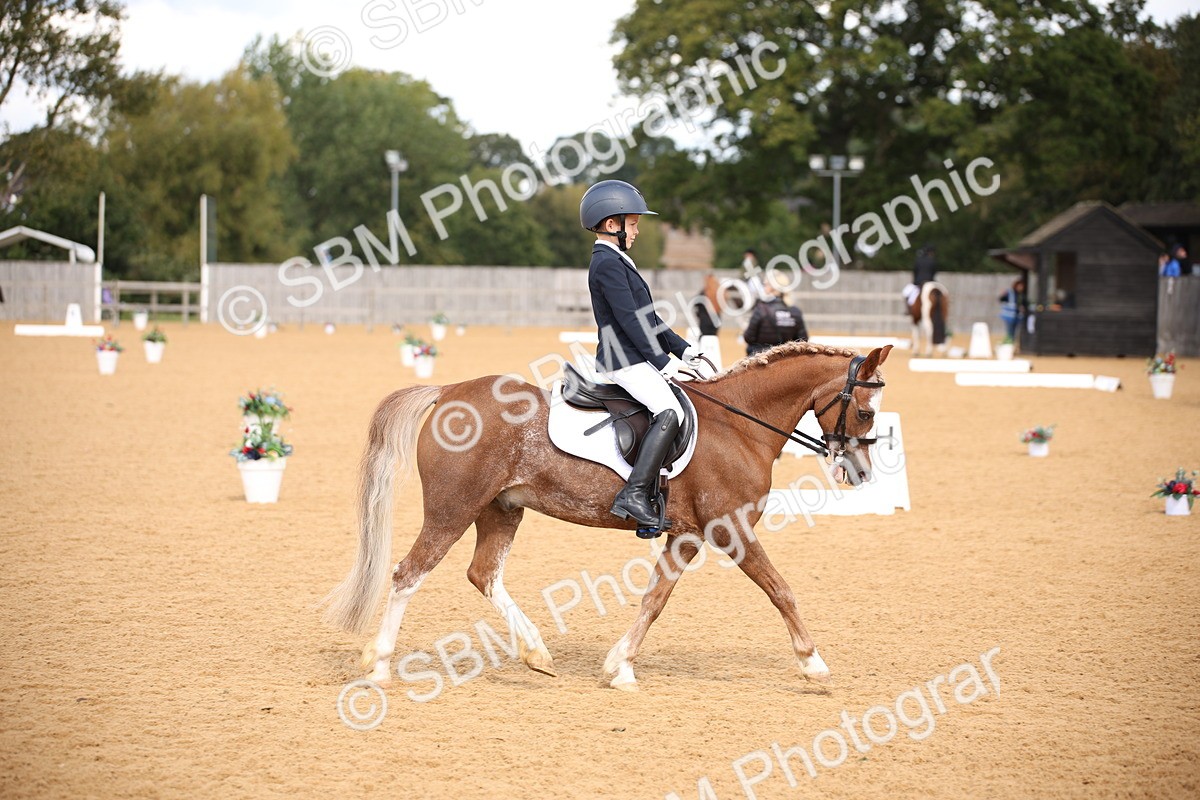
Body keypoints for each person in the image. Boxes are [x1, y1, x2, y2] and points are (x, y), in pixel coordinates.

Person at [582, 179, 701, 533]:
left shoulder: (618, 260)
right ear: (610, 225)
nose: (636, 231)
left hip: (634, 356)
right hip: (624, 360)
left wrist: (682, 348)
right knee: (671, 411)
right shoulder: (606, 263)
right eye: (632, 224)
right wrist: (662, 362)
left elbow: (648, 317)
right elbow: (630, 322)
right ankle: (633, 494)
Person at [742, 276, 809, 356]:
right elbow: (802, 340)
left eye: (765, 284)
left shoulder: (761, 309)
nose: (764, 287)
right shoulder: (795, 312)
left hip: (760, 360)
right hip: (785, 359)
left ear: (772, 287)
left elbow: (749, 338)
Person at [689, 274, 723, 371]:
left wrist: (699, 314)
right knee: (713, 342)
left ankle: (702, 361)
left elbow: (695, 303)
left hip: (705, 321)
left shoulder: (704, 293)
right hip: (716, 321)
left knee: (703, 341)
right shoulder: (718, 293)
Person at [998, 277, 1027, 342]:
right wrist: (1003, 295)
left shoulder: (1021, 295)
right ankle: (1009, 344)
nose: (1021, 288)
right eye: (1020, 286)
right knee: (1010, 332)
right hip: (1009, 316)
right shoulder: (1009, 293)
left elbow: (1025, 304)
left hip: (1018, 316)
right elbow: (1001, 299)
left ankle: (1012, 344)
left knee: (1015, 333)